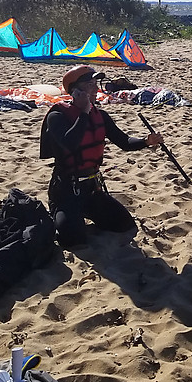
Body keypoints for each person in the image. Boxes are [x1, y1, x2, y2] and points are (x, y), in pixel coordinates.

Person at [40, 65, 164, 248]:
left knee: (124, 225)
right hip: (66, 190)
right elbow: (70, 143)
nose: (96, 89)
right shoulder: (57, 116)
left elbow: (124, 141)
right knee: (73, 241)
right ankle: (61, 214)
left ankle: (81, 215)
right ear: (75, 91)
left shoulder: (101, 116)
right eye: (90, 84)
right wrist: (83, 112)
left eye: (96, 84)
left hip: (92, 189)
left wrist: (146, 141)